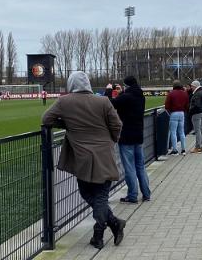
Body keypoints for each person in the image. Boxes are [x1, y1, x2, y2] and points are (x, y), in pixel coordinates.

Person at [42, 71, 125, 250]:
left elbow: (46, 119)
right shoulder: (103, 101)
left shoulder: (64, 101)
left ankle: (99, 236)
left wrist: (67, 123)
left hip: (82, 159)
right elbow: (117, 125)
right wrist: (111, 140)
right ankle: (114, 223)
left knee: (88, 194)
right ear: (87, 83)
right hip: (105, 155)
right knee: (100, 196)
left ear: (71, 84)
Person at [110, 76, 151, 204]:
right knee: (140, 166)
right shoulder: (140, 96)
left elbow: (111, 103)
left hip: (126, 135)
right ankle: (146, 193)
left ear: (126, 85)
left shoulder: (126, 96)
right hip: (138, 134)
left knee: (129, 167)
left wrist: (109, 91)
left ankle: (132, 195)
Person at [165, 80, 189, 156]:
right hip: (182, 113)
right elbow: (187, 104)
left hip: (174, 113)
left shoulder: (171, 93)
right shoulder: (185, 93)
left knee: (173, 132)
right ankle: (183, 149)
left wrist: (169, 111)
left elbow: (167, 105)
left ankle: (175, 150)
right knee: (181, 132)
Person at [189, 81, 202, 153]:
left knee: (197, 130)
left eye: (192, 86)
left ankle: (197, 147)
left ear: (195, 86)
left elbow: (196, 104)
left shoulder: (197, 93)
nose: (191, 88)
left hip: (196, 113)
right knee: (200, 130)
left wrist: (191, 110)